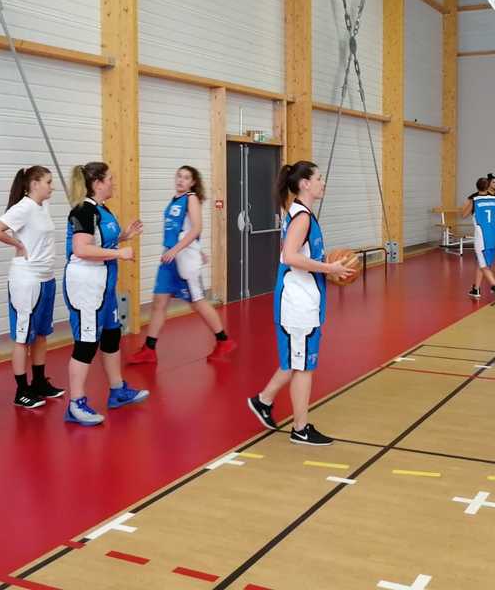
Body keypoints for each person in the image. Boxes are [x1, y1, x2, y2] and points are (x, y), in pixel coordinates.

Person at [246, 161, 353, 446]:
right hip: (296, 302)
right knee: (303, 366)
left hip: (303, 299)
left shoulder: (300, 213)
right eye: (318, 178)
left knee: (297, 362)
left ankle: (264, 400)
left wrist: (328, 269)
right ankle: (299, 428)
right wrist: (328, 268)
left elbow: (302, 256)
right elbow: (291, 257)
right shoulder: (302, 217)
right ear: (305, 184)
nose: (322, 182)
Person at [63, 162, 149, 426]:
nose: (113, 182)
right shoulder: (83, 210)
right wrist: (119, 253)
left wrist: (124, 236)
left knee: (112, 336)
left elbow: (99, 240)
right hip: (86, 286)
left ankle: (117, 390)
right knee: (87, 344)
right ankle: (75, 404)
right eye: (110, 178)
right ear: (98, 183)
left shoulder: (102, 209)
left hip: (105, 286)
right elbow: (81, 249)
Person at [129, 165, 235, 365]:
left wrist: (180, 250)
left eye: (186, 177)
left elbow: (196, 228)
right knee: (159, 302)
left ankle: (223, 340)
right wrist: (187, 249)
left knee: (198, 302)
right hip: (169, 259)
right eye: (179, 176)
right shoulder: (174, 200)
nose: (181, 180)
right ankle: (149, 349)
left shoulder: (191, 198)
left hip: (181, 259)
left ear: (192, 182)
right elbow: (183, 230)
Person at [0, 165, 64, 409]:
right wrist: (17, 244)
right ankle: (21, 391)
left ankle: (39, 382)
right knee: (23, 337)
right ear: (35, 184)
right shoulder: (24, 207)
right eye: (48, 182)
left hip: (46, 278)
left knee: (41, 334)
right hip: (26, 280)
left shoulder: (42, 206)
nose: (52, 187)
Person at [468, 173, 495, 267]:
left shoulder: (494, 193)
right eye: (494, 182)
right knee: (490, 240)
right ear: (488, 184)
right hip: (487, 223)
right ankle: (482, 256)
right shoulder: (480, 195)